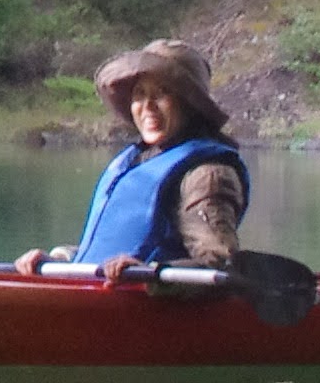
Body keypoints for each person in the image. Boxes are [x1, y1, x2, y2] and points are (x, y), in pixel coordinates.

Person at [25, 38, 250, 283]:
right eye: (140, 94)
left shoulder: (207, 175)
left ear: (191, 104)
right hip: (102, 304)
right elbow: (108, 251)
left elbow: (217, 265)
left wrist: (147, 273)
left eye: (163, 93)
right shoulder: (139, 161)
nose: (148, 106)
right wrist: (60, 260)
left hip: (150, 312)